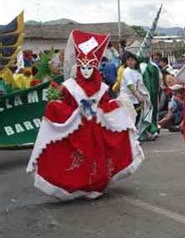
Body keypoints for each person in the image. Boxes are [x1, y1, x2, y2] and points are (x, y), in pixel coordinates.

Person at [26, 30, 144, 200]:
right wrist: (59, 108)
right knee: (76, 161)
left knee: (98, 160)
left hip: (97, 132)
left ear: (95, 68)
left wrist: (115, 105)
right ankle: (77, 186)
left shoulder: (102, 88)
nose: (87, 71)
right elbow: (64, 106)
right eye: (84, 67)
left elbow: (106, 105)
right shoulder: (69, 87)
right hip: (77, 131)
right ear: (78, 68)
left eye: (90, 67)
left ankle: (96, 184)